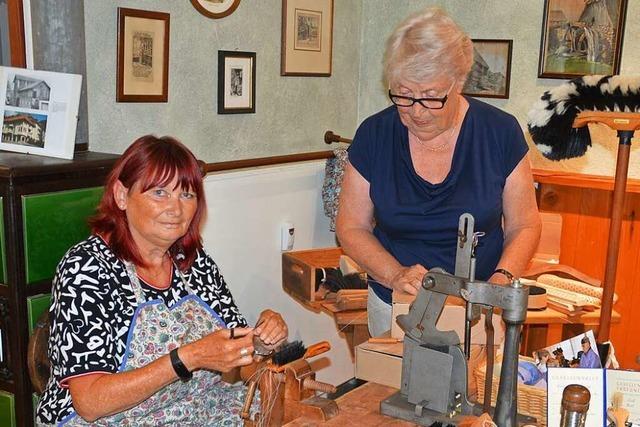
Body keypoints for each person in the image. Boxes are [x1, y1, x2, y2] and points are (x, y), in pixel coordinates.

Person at [36, 135, 288, 426]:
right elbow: (90, 403)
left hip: (196, 409)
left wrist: (260, 343)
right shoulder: (87, 268)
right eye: (159, 193)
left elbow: (236, 351)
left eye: (186, 194)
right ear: (121, 195)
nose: (175, 208)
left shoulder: (193, 261)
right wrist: (187, 358)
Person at [335, 7, 541, 336]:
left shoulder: (499, 132)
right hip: (395, 306)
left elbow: (525, 223)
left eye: (431, 97)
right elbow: (351, 226)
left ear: (458, 82)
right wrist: (395, 274)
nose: (417, 111)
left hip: (480, 310)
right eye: (403, 94)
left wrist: (499, 283)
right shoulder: (373, 135)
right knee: (391, 388)